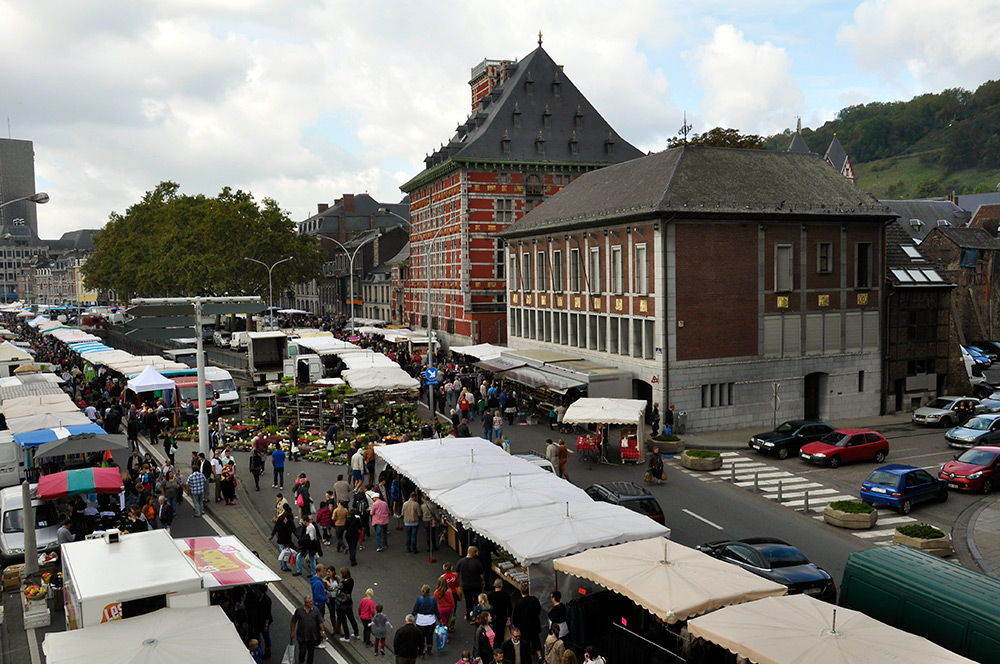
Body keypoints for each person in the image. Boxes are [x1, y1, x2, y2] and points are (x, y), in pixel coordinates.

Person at [290, 595, 326, 664]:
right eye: (308, 602)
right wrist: (292, 632)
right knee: (302, 651)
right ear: (305, 603)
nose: (311, 603)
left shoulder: (316, 610)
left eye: (311, 601)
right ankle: (301, 662)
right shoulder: (299, 610)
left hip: (312, 636)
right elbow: (293, 621)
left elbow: (320, 622)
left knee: (311, 653)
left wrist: (323, 632)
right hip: (302, 636)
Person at [511, 587, 542, 662]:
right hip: (534, 625)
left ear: (521, 592)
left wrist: (514, 625)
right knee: (536, 640)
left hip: (524, 628)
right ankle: (540, 656)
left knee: (526, 643)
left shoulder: (519, 603)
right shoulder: (534, 599)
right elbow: (539, 609)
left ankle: (528, 658)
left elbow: (515, 616)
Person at [455, 545, 485, 621]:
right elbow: (481, 574)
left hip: (466, 585)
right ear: (474, 553)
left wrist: (457, 583)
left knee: (468, 601)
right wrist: (483, 581)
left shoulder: (461, 561)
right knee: (477, 601)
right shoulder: (477, 562)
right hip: (476, 585)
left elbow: (456, 574)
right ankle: (478, 616)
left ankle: (469, 615)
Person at [412, 583, 440, 654]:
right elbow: (436, 610)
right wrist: (440, 619)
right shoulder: (433, 600)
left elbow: (415, 611)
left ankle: (422, 648)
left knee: (421, 636)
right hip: (431, 621)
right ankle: (429, 647)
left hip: (420, 622)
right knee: (429, 635)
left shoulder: (419, 600)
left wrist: (411, 617)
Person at [336, 567, 360, 641]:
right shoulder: (351, 580)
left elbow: (336, 588)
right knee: (351, 618)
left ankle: (347, 636)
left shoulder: (343, 583)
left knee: (344, 620)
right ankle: (356, 633)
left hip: (343, 604)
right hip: (349, 602)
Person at [271, 503, 295, 571]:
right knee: (284, 554)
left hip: (280, 540)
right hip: (283, 541)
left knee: (282, 553)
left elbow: (276, 528)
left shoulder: (279, 524)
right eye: (285, 519)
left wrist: (272, 535)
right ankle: (284, 566)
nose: (286, 520)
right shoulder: (284, 526)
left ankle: (283, 565)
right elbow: (287, 534)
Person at [421, 497, 439, 562]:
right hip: (432, 521)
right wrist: (438, 519)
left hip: (425, 521)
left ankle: (429, 547)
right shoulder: (432, 506)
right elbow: (436, 514)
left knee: (427, 533)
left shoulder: (422, 506)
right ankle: (435, 546)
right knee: (433, 533)